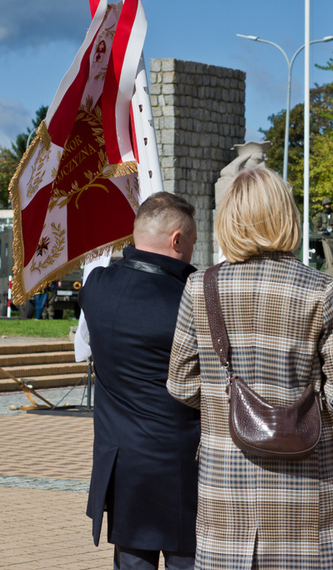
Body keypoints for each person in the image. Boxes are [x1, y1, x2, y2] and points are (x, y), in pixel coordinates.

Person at [167, 168, 333, 569]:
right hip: (305, 483)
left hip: (226, 483)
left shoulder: (200, 286)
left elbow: (179, 384)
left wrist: (226, 409)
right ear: (285, 216)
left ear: (229, 220)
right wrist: (311, 415)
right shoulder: (320, 288)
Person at [81, 192, 200, 570]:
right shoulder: (191, 298)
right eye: (192, 243)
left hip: (122, 462)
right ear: (177, 239)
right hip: (181, 464)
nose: (193, 253)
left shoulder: (96, 287)